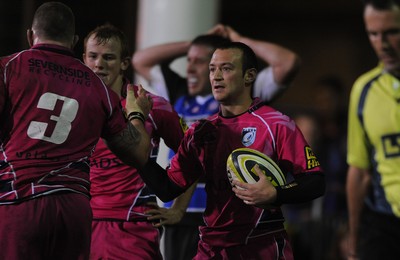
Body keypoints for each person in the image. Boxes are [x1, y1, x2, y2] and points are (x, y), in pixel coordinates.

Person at [133, 41, 325, 259]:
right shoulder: (200, 132)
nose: (216, 76)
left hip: (260, 245)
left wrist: (275, 193)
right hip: (210, 248)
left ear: (249, 76)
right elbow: (168, 188)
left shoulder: (276, 125)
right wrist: (135, 148)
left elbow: (316, 182)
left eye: (226, 68)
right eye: (213, 69)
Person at [0, 2, 151, 259]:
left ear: (30, 35)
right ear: (74, 41)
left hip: (20, 202)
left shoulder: (8, 68)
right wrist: (137, 114)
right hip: (73, 212)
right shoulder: (97, 87)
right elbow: (138, 152)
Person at [82, 24, 194, 260]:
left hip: (131, 227)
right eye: (93, 56)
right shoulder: (71, 105)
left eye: (108, 57)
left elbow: (193, 156)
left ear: (124, 63)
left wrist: (178, 210)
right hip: (81, 224)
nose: (99, 64)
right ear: (84, 59)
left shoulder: (152, 105)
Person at [346, 0, 400, 259]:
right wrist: (354, 240)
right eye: (374, 34)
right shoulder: (364, 89)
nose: (383, 43)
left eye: (392, 31)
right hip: (383, 224)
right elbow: (359, 170)